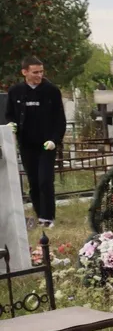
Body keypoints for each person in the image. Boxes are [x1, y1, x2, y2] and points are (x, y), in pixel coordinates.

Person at [6, 56, 66, 228]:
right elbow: (10, 114)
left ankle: (48, 217)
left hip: (46, 144)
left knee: (45, 180)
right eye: (35, 72)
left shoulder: (51, 91)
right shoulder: (15, 91)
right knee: (33, 181)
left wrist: (55, 140)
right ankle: (40, 214)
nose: (39, 75)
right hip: (27, 144)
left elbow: (59, 119)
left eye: (41, 71)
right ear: (25, 72)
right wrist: (11, 125)